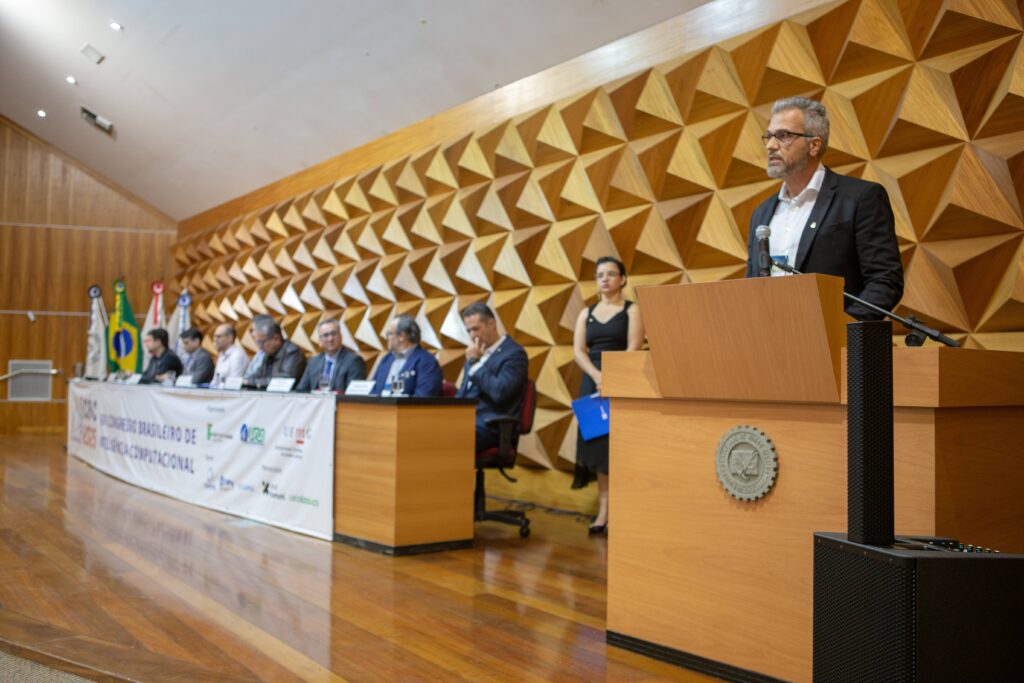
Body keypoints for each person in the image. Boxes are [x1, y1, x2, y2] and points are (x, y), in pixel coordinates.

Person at [745, 96, 903, 320]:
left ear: (814, 144)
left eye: (783, 136)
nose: (771, 145)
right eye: (769, 136)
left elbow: (885, 280)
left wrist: (841, 330)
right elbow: (751, 287)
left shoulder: (859, 198)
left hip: (834, 346)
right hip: (771, 343)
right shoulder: (761, 213)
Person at [571, 257, 645, 535]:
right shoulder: (586, 313)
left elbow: (634, 346)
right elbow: (578, 351)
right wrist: (598, 377)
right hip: (593, 383)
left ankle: (624, 512)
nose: (605, 278)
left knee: (621, 448)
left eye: (611, 274)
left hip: (623, 381)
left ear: (623, 279)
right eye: (600, 274)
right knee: (600, 449)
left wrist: (613, 378)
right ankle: (603, 512)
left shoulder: (632, 309)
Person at [456, 303, 529, 453]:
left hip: (490, 426)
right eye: (468, 331)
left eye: (476, 329)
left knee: (447, 438)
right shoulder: (474, 354)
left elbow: (499, 392)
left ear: (491, 324)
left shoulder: (514, 354)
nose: (472, 336)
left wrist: (475, 364)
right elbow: (463, 394)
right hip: (465, 421)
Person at [371, 314, 442, 397]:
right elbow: (373, 390)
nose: (386, 338)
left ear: (401, 336)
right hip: (378, 409)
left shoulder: (426, 362)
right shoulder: (386, 359)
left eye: (389, 334)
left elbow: (423, 397)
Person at [295, 319, 365, 392]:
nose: (330, 339)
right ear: (320, 341)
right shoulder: (313, 362)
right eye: (325, 335)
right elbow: (301, 390)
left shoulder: (353, 361)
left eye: (334, 334)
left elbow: (354, 395)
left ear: (341, 337)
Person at [247, 318, 306, 387]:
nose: (259, 347)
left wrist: (252, 382)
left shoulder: (293, 353)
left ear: (276, 339)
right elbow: (256, 376)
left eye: (261, 342)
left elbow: (283, 381)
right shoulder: (268, 353)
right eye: (257, 342)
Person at [242, 314, 275, 382]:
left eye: (254, 330)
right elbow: (249, 375)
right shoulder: (260, 352)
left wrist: (249, 381)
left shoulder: (273, 351)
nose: (252, 334)